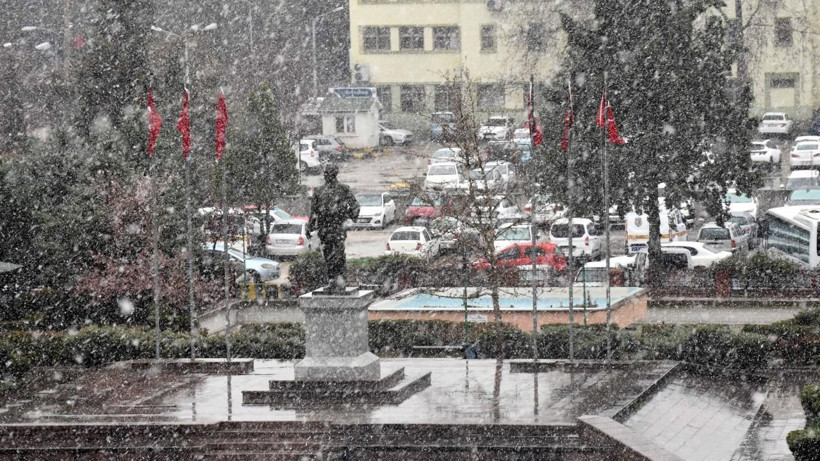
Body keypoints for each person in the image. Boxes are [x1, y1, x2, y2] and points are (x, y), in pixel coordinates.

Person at [306, 164, 360, 293]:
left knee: (339, 254)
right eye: (325, 173)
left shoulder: (343, 189)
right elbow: (314, 211)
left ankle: (341, 280)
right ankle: (332, 281)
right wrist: (310, 226)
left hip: (337, 227)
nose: (326, 175)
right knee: (328, 254)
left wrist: (348, 216)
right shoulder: (319, 191)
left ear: (334, 174)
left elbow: (355, 206)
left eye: (328, 173)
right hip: (325, 228)